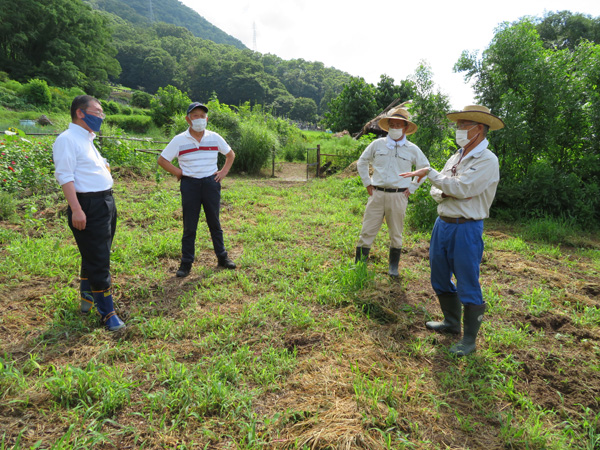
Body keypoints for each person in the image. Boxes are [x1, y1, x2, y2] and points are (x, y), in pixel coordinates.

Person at [400, 105, 505, 356]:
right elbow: (438, 191)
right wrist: (446, 188)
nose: (458, 130)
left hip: (466, 227)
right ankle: (451, 322)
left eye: (462, 125)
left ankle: (469, 340)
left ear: (478, 129)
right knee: (438, 274)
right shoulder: (456, 156)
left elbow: (463, 189)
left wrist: (439, 181)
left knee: (467, 279)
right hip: (443, 223)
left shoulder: (488, 160)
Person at [53, 95, 125, 332]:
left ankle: (87, 297)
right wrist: (76, 209)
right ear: (80, 113)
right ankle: (107, 313)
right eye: (97, 111)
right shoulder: (67, 139)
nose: (101, 116)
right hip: (88, 205)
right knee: (99, 259)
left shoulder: (88, 138)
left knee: (95, 253)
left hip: (105, 201)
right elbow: (65, 176)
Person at [158, 102, 236, 277]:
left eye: (202, 116)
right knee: (190, 226)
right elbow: (162, 160)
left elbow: (230, 154)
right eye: (195, 116)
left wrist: (223, 172)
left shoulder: (215, 137)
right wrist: (178, 172)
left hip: (210, 183)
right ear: (188, 119)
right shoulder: (179, 140)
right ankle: (186, 263)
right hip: (190, 184)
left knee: (214, 222)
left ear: (206, 119)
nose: (199, 119)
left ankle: (222, 257)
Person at [356, 106, 430, 276]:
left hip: (399, 195)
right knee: (367, 230)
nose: (395, 128)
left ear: (405, 128)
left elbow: (425, 169)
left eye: (399, 125)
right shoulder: (377, 144)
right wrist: (367, 183)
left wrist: (412, 187)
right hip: (377, 193)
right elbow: (362, 162)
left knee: (396, 233)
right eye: (392, 125)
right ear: (387, 126)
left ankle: (393, 267)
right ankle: (359, 266)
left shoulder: (412, 149)